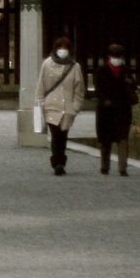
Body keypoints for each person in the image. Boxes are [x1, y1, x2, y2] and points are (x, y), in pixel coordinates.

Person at [35, 36, 85, 176]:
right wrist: (40, 103)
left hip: (68, 106)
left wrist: (75, 106)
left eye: (65, 48)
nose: (62, 51)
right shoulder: (47, 64)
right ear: (55, 49)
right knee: (56, 134)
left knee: (63, 135)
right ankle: (57, 162)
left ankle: (61, 160)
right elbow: (41, 85)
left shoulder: (75, 67)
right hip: (51, 105)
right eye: (60, 48)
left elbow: (79, 89)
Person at [95, 43, 136, 176]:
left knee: (122, 138)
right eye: (114, 55)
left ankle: (122, 168)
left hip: (123, 109)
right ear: (109, 56)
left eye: (118, 55)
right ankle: (104, 166)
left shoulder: (127, 71)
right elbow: (98, 89)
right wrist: (104, 99)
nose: (116, 58)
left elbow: (133, 88)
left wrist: (130, 85)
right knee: (105, 139)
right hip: (106, 110)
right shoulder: (101, 70)